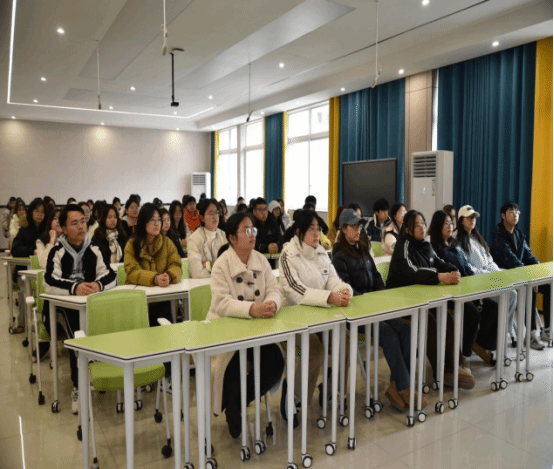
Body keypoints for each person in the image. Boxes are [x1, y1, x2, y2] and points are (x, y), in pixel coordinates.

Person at [332, 208, 423, 410]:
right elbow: (345, 289)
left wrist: (381, 298)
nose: (358, 229)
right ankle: (405, 387)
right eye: (353, 226)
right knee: (390, 336)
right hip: (357, 314)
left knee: (406, 330)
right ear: (343, 229)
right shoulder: (339, 256)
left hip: (376, 309)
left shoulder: (362, 249)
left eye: (359, 226)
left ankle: (396, 385)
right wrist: (369, 302)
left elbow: (376, 277)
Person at [207, 212, 284, 438]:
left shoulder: (260, 260)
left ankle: (237, 403)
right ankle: (234, 405)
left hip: (258, 330)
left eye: (253, 230)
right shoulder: (221, 265)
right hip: (227, 331)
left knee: (275, 362)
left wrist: (272, 304)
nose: (252, 235)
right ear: (232, 238)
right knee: (234, 367)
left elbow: (274, 289)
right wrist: (251, 309)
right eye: (246, 230)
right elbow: (221, 303)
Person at [386, 210, 475, 389]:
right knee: (429, 321)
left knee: (446, 317)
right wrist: (439, 276)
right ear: (408, 229)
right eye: (417, 225)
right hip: (401, 300)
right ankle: (440, 371)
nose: (421, 228)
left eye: (423, 224)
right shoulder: (403, 246)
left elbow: (438, 261)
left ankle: (455, 366)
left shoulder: (426, 245)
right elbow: (411, 271)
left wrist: (452, 269)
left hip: (423, 297)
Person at [44, 204, 117, 413]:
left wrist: (98, 285)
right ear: (64, 229)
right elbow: (49, 282)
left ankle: (99, 372)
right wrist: (74, 288)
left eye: (83, 222)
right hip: (63, 308)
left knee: (107, 319)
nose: (81, 227)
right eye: (74, 223)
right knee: (77, 331)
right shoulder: (57, 251)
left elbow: (111, 275)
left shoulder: (94, 248)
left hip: (90, 306)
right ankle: (78, 386)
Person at [279, 209, 353, 414]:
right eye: (311, 229)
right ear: (299, 231)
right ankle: (295, 396)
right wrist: (329, 297)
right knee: (315, 350)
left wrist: (343, 290)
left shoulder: (321, 253)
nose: (316, 233)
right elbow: (296, 291)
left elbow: (333, 280)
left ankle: (332, 389)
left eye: (318, 229)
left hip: (321, 316)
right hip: (293, 319)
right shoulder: (287, 255)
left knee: (345, 343)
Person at [429, 210, 498, 365]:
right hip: (449, 292)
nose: (450, 226)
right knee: (472, 313)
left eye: (451, 222)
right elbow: (445, 270)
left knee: (492, 306)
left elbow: (466, 265)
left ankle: (480, 343)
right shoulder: (434, 247)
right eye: (446, 223)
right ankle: (463, 354)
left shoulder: (454, 244)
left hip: (467, 287)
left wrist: (473, 280)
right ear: (438, 225)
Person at [456, 205, 522, 349]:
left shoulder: (477, 238)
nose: (472, 220)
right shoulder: (458, 241)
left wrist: (499, 273)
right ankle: (504, 332)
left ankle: (503, 331)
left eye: (474, 218)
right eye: (469, 218)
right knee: (510, 294)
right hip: (477, 282)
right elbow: (468, 268)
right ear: (461, 220)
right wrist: (491, 276)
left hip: (489, 276)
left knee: (514, 286)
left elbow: (489, 261)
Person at [490, 202, 551, 346]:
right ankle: (530, 334)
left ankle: (547, 330)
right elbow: (512, 261)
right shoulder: (498, 236)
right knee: (530, 287)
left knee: (548, 286)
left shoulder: (518, 234)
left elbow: (529, 256)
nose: (515, 215)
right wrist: (530, 277)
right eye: (511, 212)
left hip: (521, 274)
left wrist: (538, 270)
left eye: (517, 212)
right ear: (503, 216)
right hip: (505, 277)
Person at [124, 203, 182, 327]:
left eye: (159, 219)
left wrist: (169, 276)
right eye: (152, 220)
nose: (157, 223)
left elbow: (176, 265)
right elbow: (132, 271)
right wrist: (154, 278)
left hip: (162, 298)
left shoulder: (167, 242)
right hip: (138, 301)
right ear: (143, 222)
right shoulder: (132, 244)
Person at [187, 199, 227, 278]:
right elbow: (197, 273)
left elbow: (230, 267)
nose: (215, 216)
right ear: (202, 218)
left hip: (221, 282)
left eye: (216, 212)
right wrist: (220, 269)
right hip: (200, 284)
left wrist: (209, 265)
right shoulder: (194, 239)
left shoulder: (224, 236)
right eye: (211, 213)